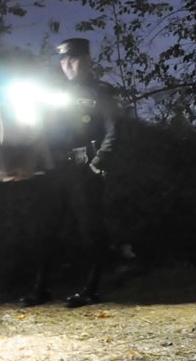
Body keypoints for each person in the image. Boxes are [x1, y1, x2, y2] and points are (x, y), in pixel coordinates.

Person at [21, 38, 121, 308]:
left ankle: (92, 288)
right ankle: (41, 288)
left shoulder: (101, 92)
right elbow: (45, 131)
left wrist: (97, 164)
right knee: (46, 228)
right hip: (57, 170)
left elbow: (115, 131)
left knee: (90, 229)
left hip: (85, 168)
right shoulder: (56, 94)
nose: (67, 65)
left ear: (87, 60)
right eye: (63, 60)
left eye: (73, 59)